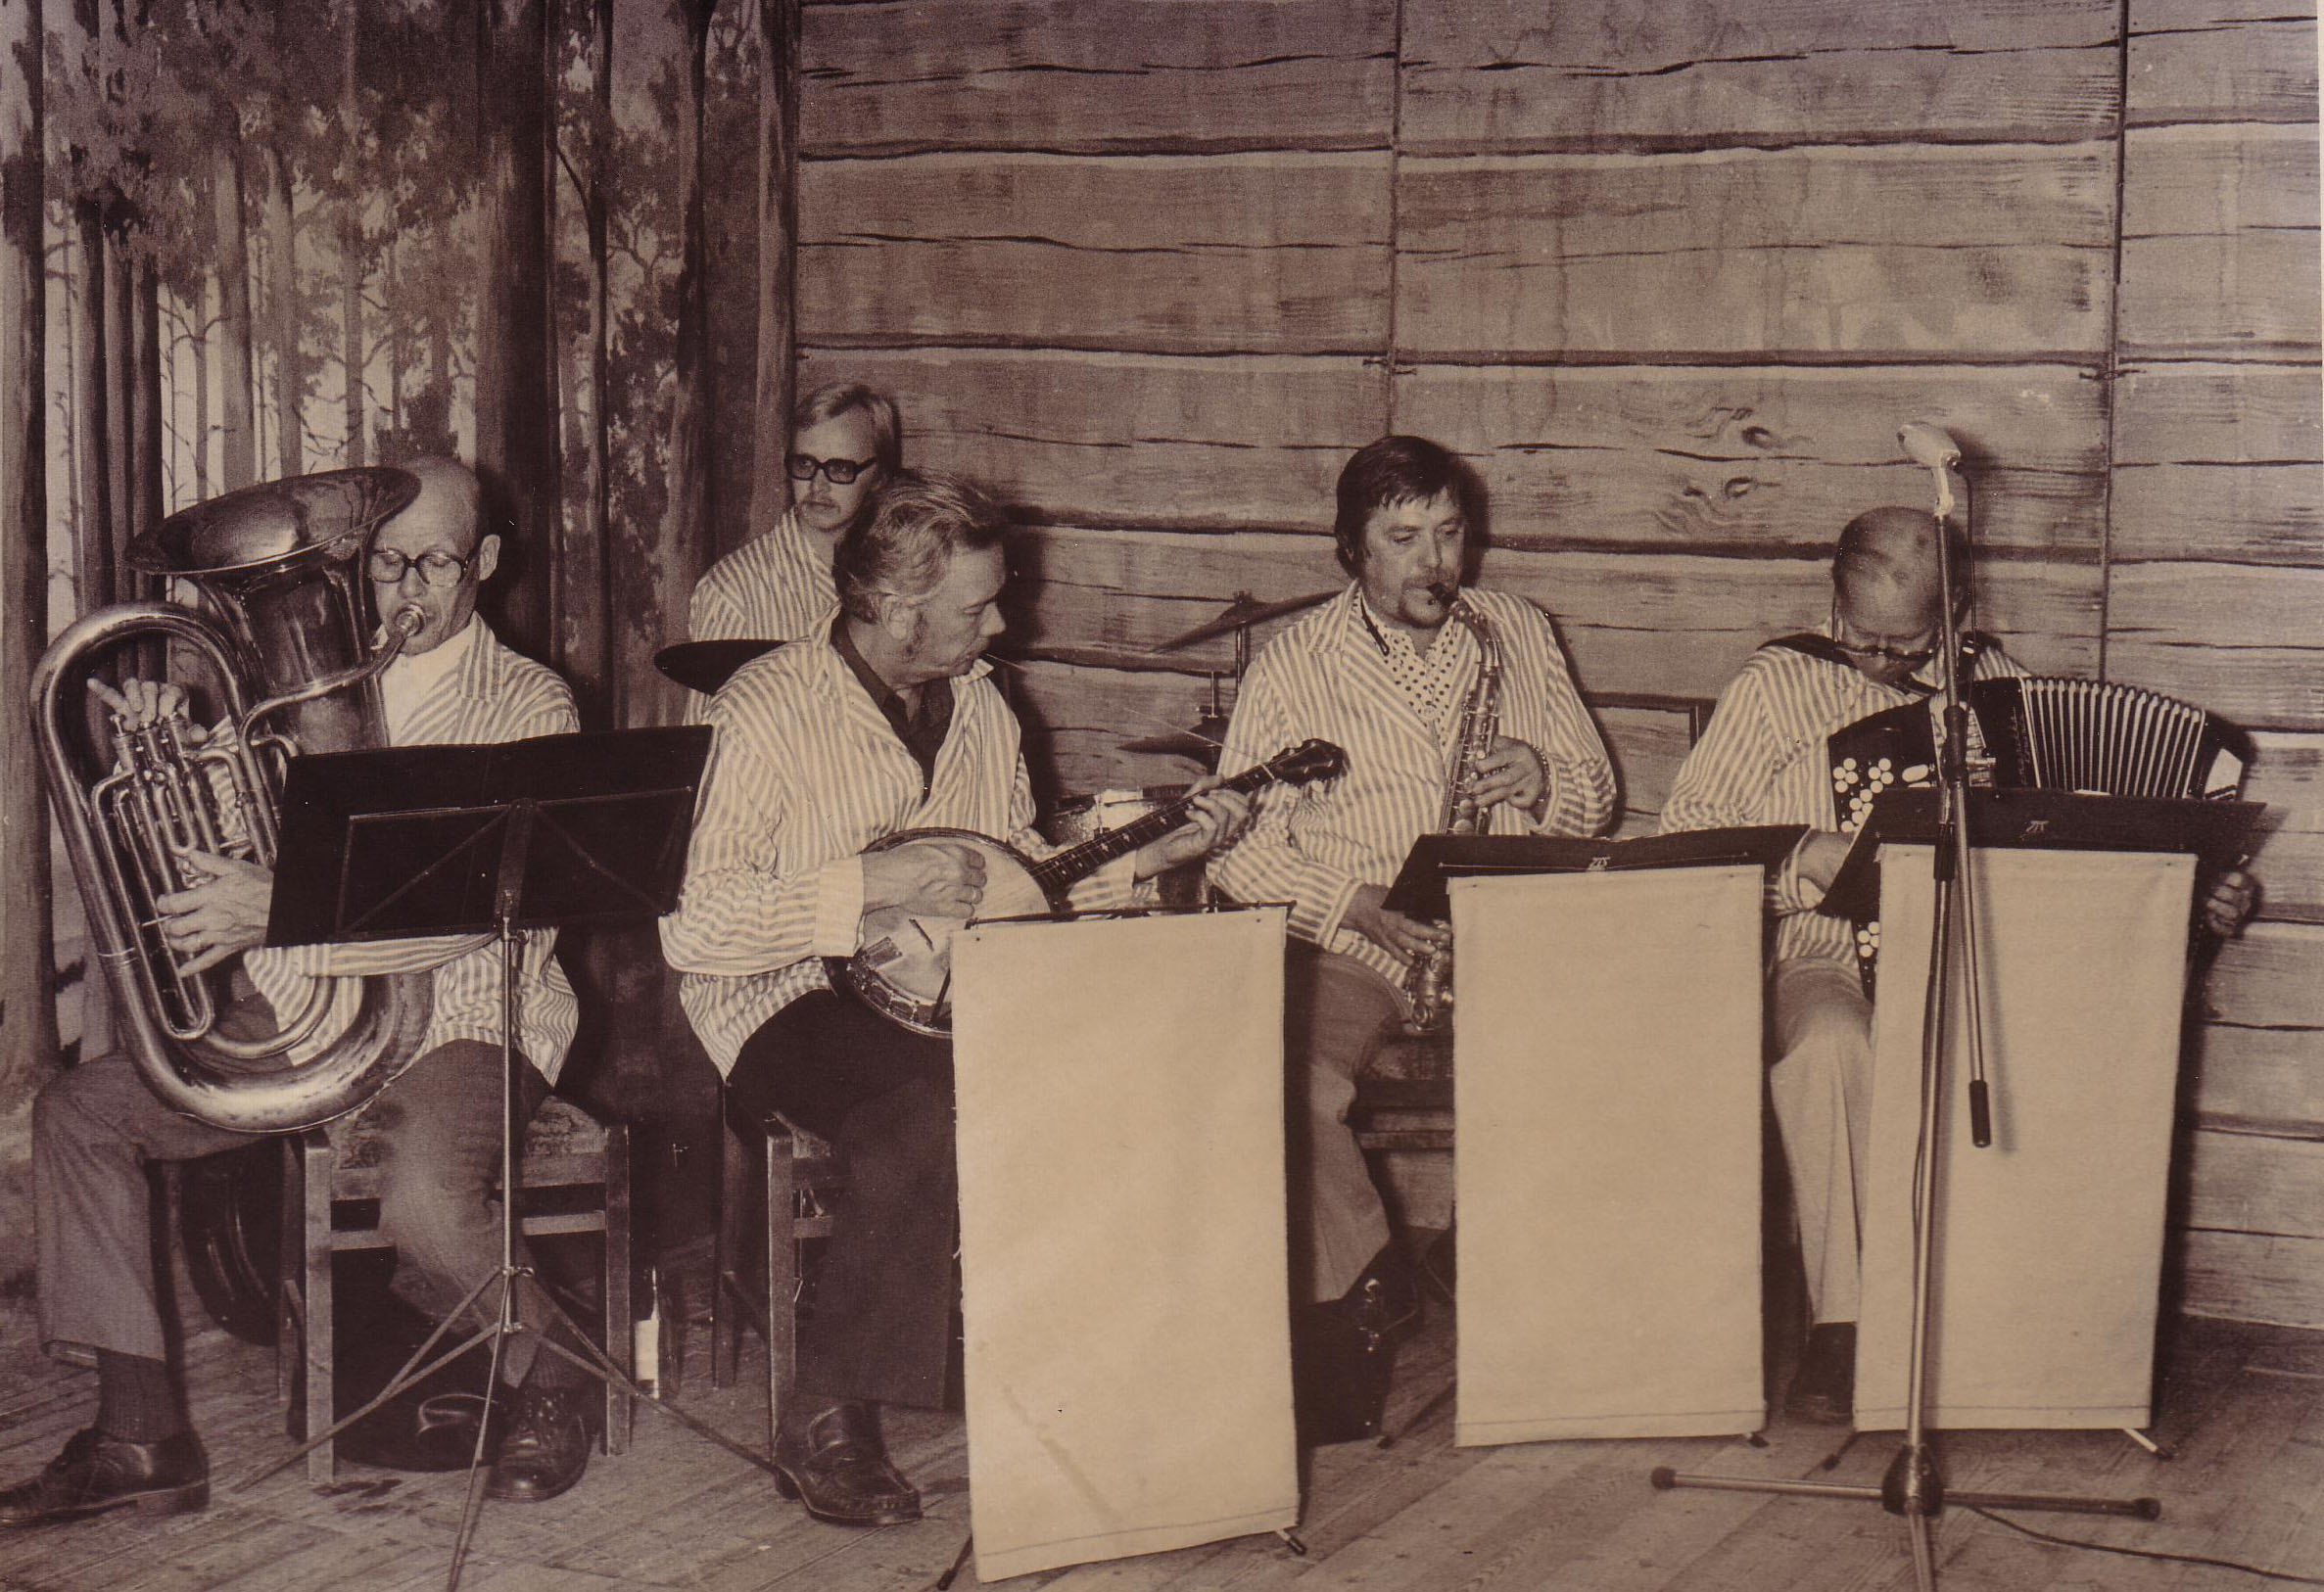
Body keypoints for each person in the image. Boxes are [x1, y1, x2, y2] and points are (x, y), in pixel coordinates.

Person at [2, 459, 595, 1528]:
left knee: (424, 1201)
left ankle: (553, 1376)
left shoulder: (530, 703)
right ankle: (141, 1435)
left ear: (485, 562)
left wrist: (277, 913)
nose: (404, 589)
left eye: (435, 563)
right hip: (301, 1015)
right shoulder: (283, 691)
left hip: (466, 1017)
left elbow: (477, 911)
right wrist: (163, 742)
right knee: (79, 1114)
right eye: (385, 562)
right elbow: (216, 838)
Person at [660, 468, 1250, 1526]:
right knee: (928, 1112)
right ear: (895, 609)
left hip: (950, 987)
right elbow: (695, 926)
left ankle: (1098, 1368)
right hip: (778, 994)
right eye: (978, 608)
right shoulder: (765, 707)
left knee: (1131, 1065)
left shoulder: (980, 703)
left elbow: (1017, 869)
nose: (1000, 626)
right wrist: (864, 885)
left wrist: (1147, 857)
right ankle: (827, 1410)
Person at [1661, 504, 2256, 1423]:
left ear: (1957, 611)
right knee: (1828, 1047)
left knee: (2068, 1049)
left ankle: (2022, 1319)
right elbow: (1684, 837)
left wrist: (2195, 892)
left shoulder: (2002, 689)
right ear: (1833, 594)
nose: (1878, 663)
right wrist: (1797, 858)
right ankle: (1847, 1323)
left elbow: (2086, 845)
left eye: (1903, 646)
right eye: (1859, 638)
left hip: (1980, 960)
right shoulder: (1776, 684)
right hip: (1827, 950)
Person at [1208, 434, 1615, 1437]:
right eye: (1403, 539)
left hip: (1515, 932)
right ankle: (1368, 1277)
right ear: (1350, 547)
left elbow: (1596, 796)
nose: (1435, 564)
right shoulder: (1294, 663)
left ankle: (1564, 1313)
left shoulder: (1516, 628)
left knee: (1623, 1058)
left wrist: (1543, 780)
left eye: (1448, 534)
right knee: (1281, 1082)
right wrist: (1355, 906)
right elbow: (1238, 853)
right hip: (1361, 941)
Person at [688, 382, 903, 642]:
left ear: (880, 476)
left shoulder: (900, 574)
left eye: (841, 468)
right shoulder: (732, 590)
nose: (817, 486)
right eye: (804, 464)